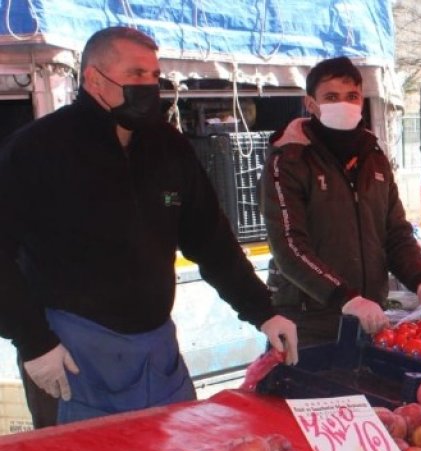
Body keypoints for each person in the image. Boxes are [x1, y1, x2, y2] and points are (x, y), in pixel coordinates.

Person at [0, 26, 298, 426]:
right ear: (93, 79)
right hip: (71, 355)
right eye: (135, 74)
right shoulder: (37, 149)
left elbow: (211, 241)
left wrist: (264, 311)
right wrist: (34, 341)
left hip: (157, 351)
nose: (149, 86)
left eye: (154, 76)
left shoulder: (169, 147)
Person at [261, 57, 421, 347]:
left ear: (361, 100)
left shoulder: (373, 157)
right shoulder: (289, 160)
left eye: (351, 97)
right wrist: (346, 298)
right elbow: (289, 248)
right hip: (307, 324)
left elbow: (396, 233)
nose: (343, 104)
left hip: (369, 319)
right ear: (311, 104)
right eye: (331, 97)